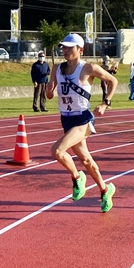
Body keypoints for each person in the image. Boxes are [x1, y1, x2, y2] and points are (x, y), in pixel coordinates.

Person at [46, 33, 117, 213]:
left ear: (80, 49)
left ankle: (77, 178)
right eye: (63, 47)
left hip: (82, 118)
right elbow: (49, 92)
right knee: (85, 159)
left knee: (57, 150)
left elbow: (112, 81)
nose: (65, 50)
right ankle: (104, 189)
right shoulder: (57, 68)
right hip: (66, 118)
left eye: (70, 47)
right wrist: (49, 90)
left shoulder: (88, 68)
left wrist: (105, 103)